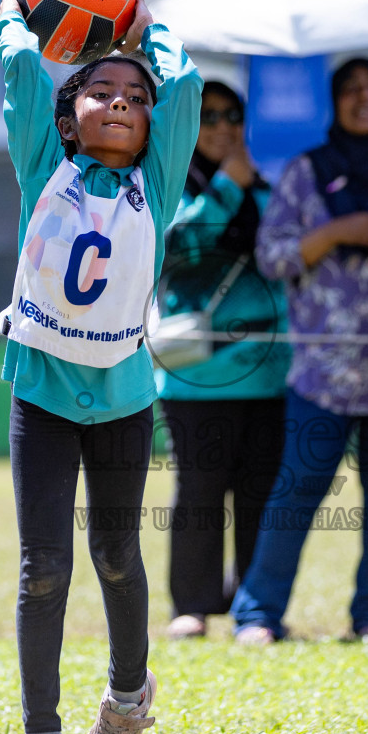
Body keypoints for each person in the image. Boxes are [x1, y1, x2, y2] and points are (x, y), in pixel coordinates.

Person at [0, 0, 201, 734]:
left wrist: (143, 27)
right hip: (41, 393)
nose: (120, 103)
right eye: (100, 91)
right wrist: (17, 11)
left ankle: (125, 700)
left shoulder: (161, 180)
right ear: (68, 115)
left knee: (116, 553)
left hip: (122, 397)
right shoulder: (43, 165)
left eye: (133, 98)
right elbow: (20, 75)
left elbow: (181, 82)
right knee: (42, 567)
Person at [229, 57, 368, 645]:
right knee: (296, 493)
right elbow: (272, 256)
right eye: (351, 89)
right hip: (322, 374)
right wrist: (336, 233)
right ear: (334, 103)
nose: (365, 98)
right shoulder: (307, 172)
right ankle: (258, 614)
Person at [156, 81, 290, 639]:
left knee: (259, 491)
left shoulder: (269, 193)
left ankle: (251, 606)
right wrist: (227, 191)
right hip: (194, 376)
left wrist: (244, 189)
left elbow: (285, 262)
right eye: (207, 116)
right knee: (199, 493)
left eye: (232, 115)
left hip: (267, 370)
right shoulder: (166, 189)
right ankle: (192, 603)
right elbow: (174, 250)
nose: (221, 127)